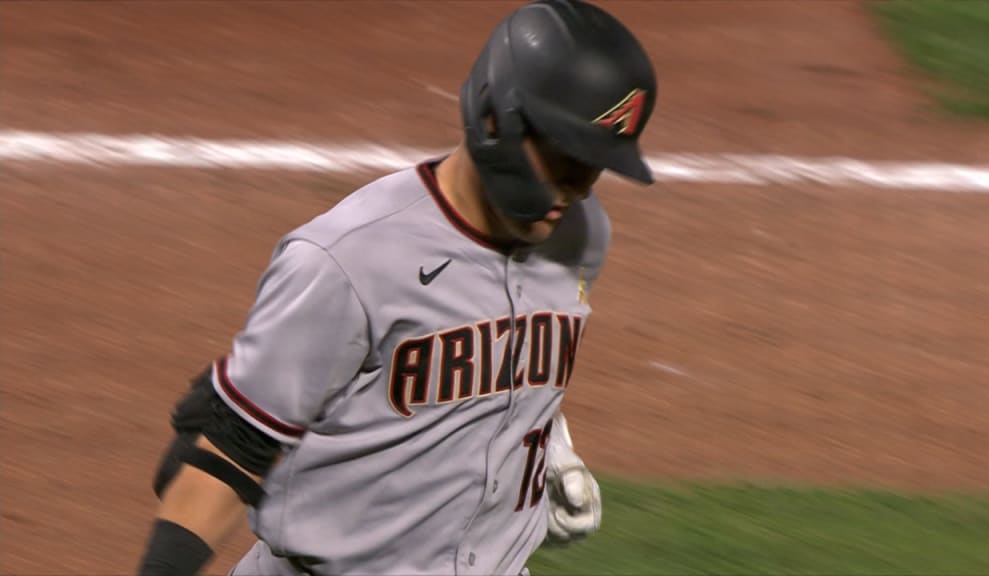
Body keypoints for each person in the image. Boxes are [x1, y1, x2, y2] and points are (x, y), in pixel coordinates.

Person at [135, 0, 658, 574]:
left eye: (593, 165)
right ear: (494, 119)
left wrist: (546, 446)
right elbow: (230, 448)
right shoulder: (349, 258)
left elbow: (510, 356)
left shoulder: (581, 237)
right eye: (565, 156)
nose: (578, 188)